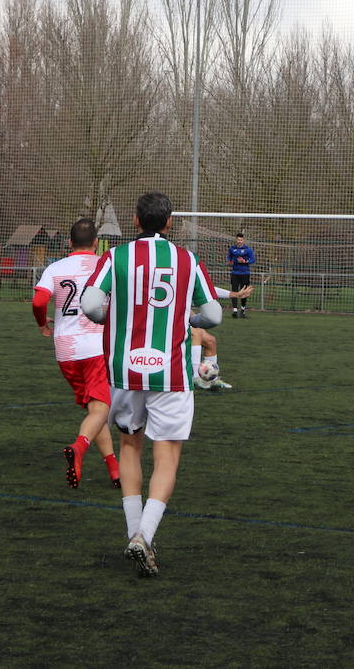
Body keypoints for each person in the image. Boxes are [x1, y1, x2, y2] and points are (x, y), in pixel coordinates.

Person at [82, 191, 222, 577]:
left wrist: (115, 318)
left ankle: (134, 533)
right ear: (170, 222)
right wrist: (187, 321)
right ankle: (145, 535)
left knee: (130, 445)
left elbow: (92, 307)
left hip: (125, 369)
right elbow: (213, 314)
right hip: (171, 373)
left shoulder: (114, 257)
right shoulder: (186, 259)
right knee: (168, 455)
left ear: (135, 220)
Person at [32, 218, 121, 489]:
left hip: (65, 350)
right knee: (101, 410)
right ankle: (79, 448)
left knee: (95, 410)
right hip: (96, 346)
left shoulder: (55, 267)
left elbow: (38, 300)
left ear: (68, 243)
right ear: (96, 243)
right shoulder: (106, 265)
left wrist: (41, 324)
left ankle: (114, 470)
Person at [191, 285, 251, 391]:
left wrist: (236, 294)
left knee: (210, 341)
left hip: (181, 316)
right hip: (166, 319)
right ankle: (195, 378)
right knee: (196, 334)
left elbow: (207, 289)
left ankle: (210, 379)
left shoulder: (191, 274)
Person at [227, 232, 255, 317]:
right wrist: (230, 261)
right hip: (235, 273)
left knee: (244, 292)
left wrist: (245, 261)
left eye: (241, 240)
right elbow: (229, 258)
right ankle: (235, 311)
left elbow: (253, 260)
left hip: (245, 273)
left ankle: (243, 310)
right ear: (236, 240)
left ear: (243, 240)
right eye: (238, 239)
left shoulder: (248, 249)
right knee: (234, 291)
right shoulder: (232, 249)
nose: (239, 241)